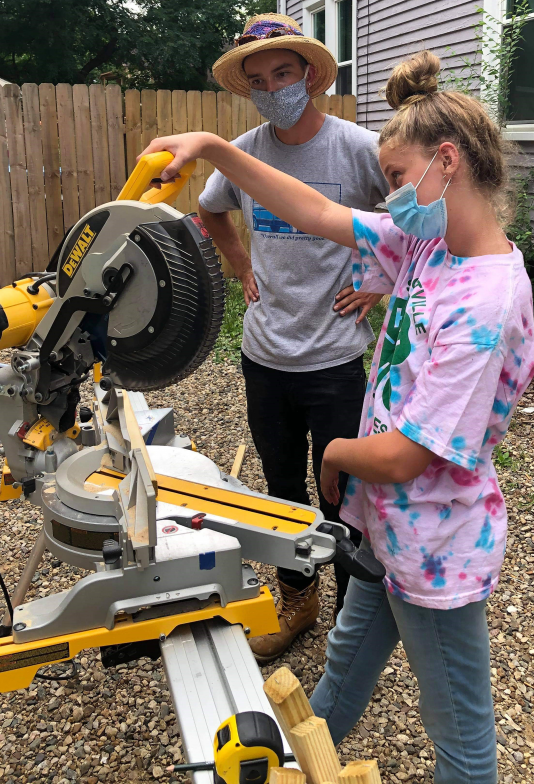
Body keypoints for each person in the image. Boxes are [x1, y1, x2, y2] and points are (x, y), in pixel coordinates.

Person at [141, 49, 534, 783]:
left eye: (394, 178)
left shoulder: (486, 302)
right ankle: (296, 760)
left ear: (446, 161)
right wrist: (218, 148)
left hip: (434, 547)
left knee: (461, 735)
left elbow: (412, 455)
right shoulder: (428, 244)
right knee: (348, 654)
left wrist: (338, 455)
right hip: (390, 525)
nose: (389, 198)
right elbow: (315, 210)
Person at [198, 13, 389, 662]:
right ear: (248, 88)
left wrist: (379, 280)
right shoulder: (246, 151)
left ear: (309, 75)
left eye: (283, 73)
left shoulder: (358, 149)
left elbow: (411, 222)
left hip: (336, 359)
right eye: (258, 79)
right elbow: (210, 209)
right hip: (265, 357)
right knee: (282, 492)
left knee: (343, 494)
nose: (273, 86)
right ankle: (298, 602)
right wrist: (241, 266)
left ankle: (349, 621)